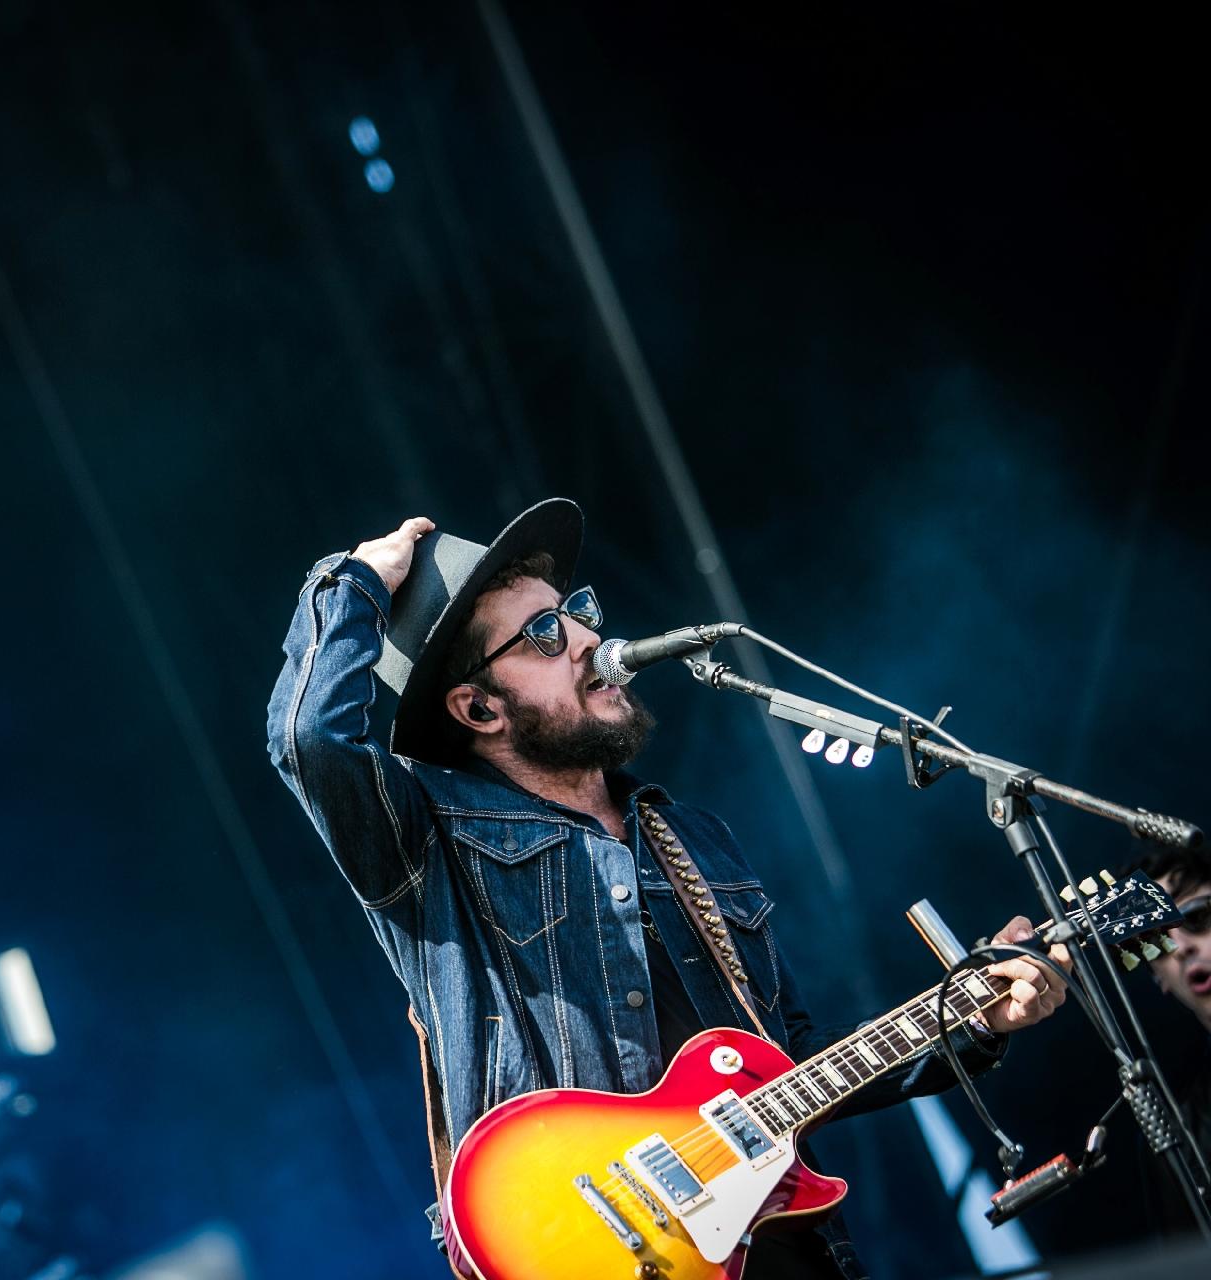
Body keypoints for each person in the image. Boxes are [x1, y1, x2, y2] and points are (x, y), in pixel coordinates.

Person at [265, 502, 1071, 1279]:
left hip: (779, 1253)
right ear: (478, 707)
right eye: (545, 634)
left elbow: (788, 1064)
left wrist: (968, 1020)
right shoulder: (431, 838)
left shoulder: (692, 837)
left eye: (577, 612)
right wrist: (355, 582)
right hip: (585, 1247)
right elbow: (310, 740)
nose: (589, 638)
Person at [1127, 843, 1211, 1234]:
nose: (1180, 948)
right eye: (1158, 943)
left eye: (1197, 917)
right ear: (1157, 977)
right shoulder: (1180, 1138)